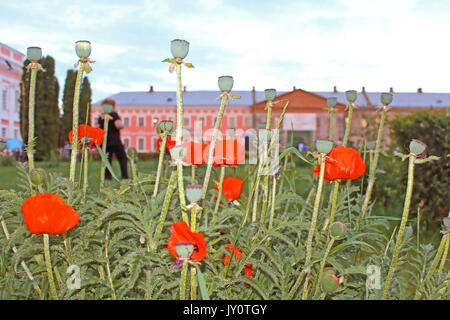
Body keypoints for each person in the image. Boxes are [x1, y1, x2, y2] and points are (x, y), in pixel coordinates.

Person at [97, 98, 129, 180]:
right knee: (122, 158)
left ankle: (107, 178)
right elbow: (119, 125)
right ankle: (125, 177)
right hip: (115, 141)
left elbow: (97, 129)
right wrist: (122, 124)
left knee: (107, 160)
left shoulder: (101, 117)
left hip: (104, 142)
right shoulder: (114, 115)